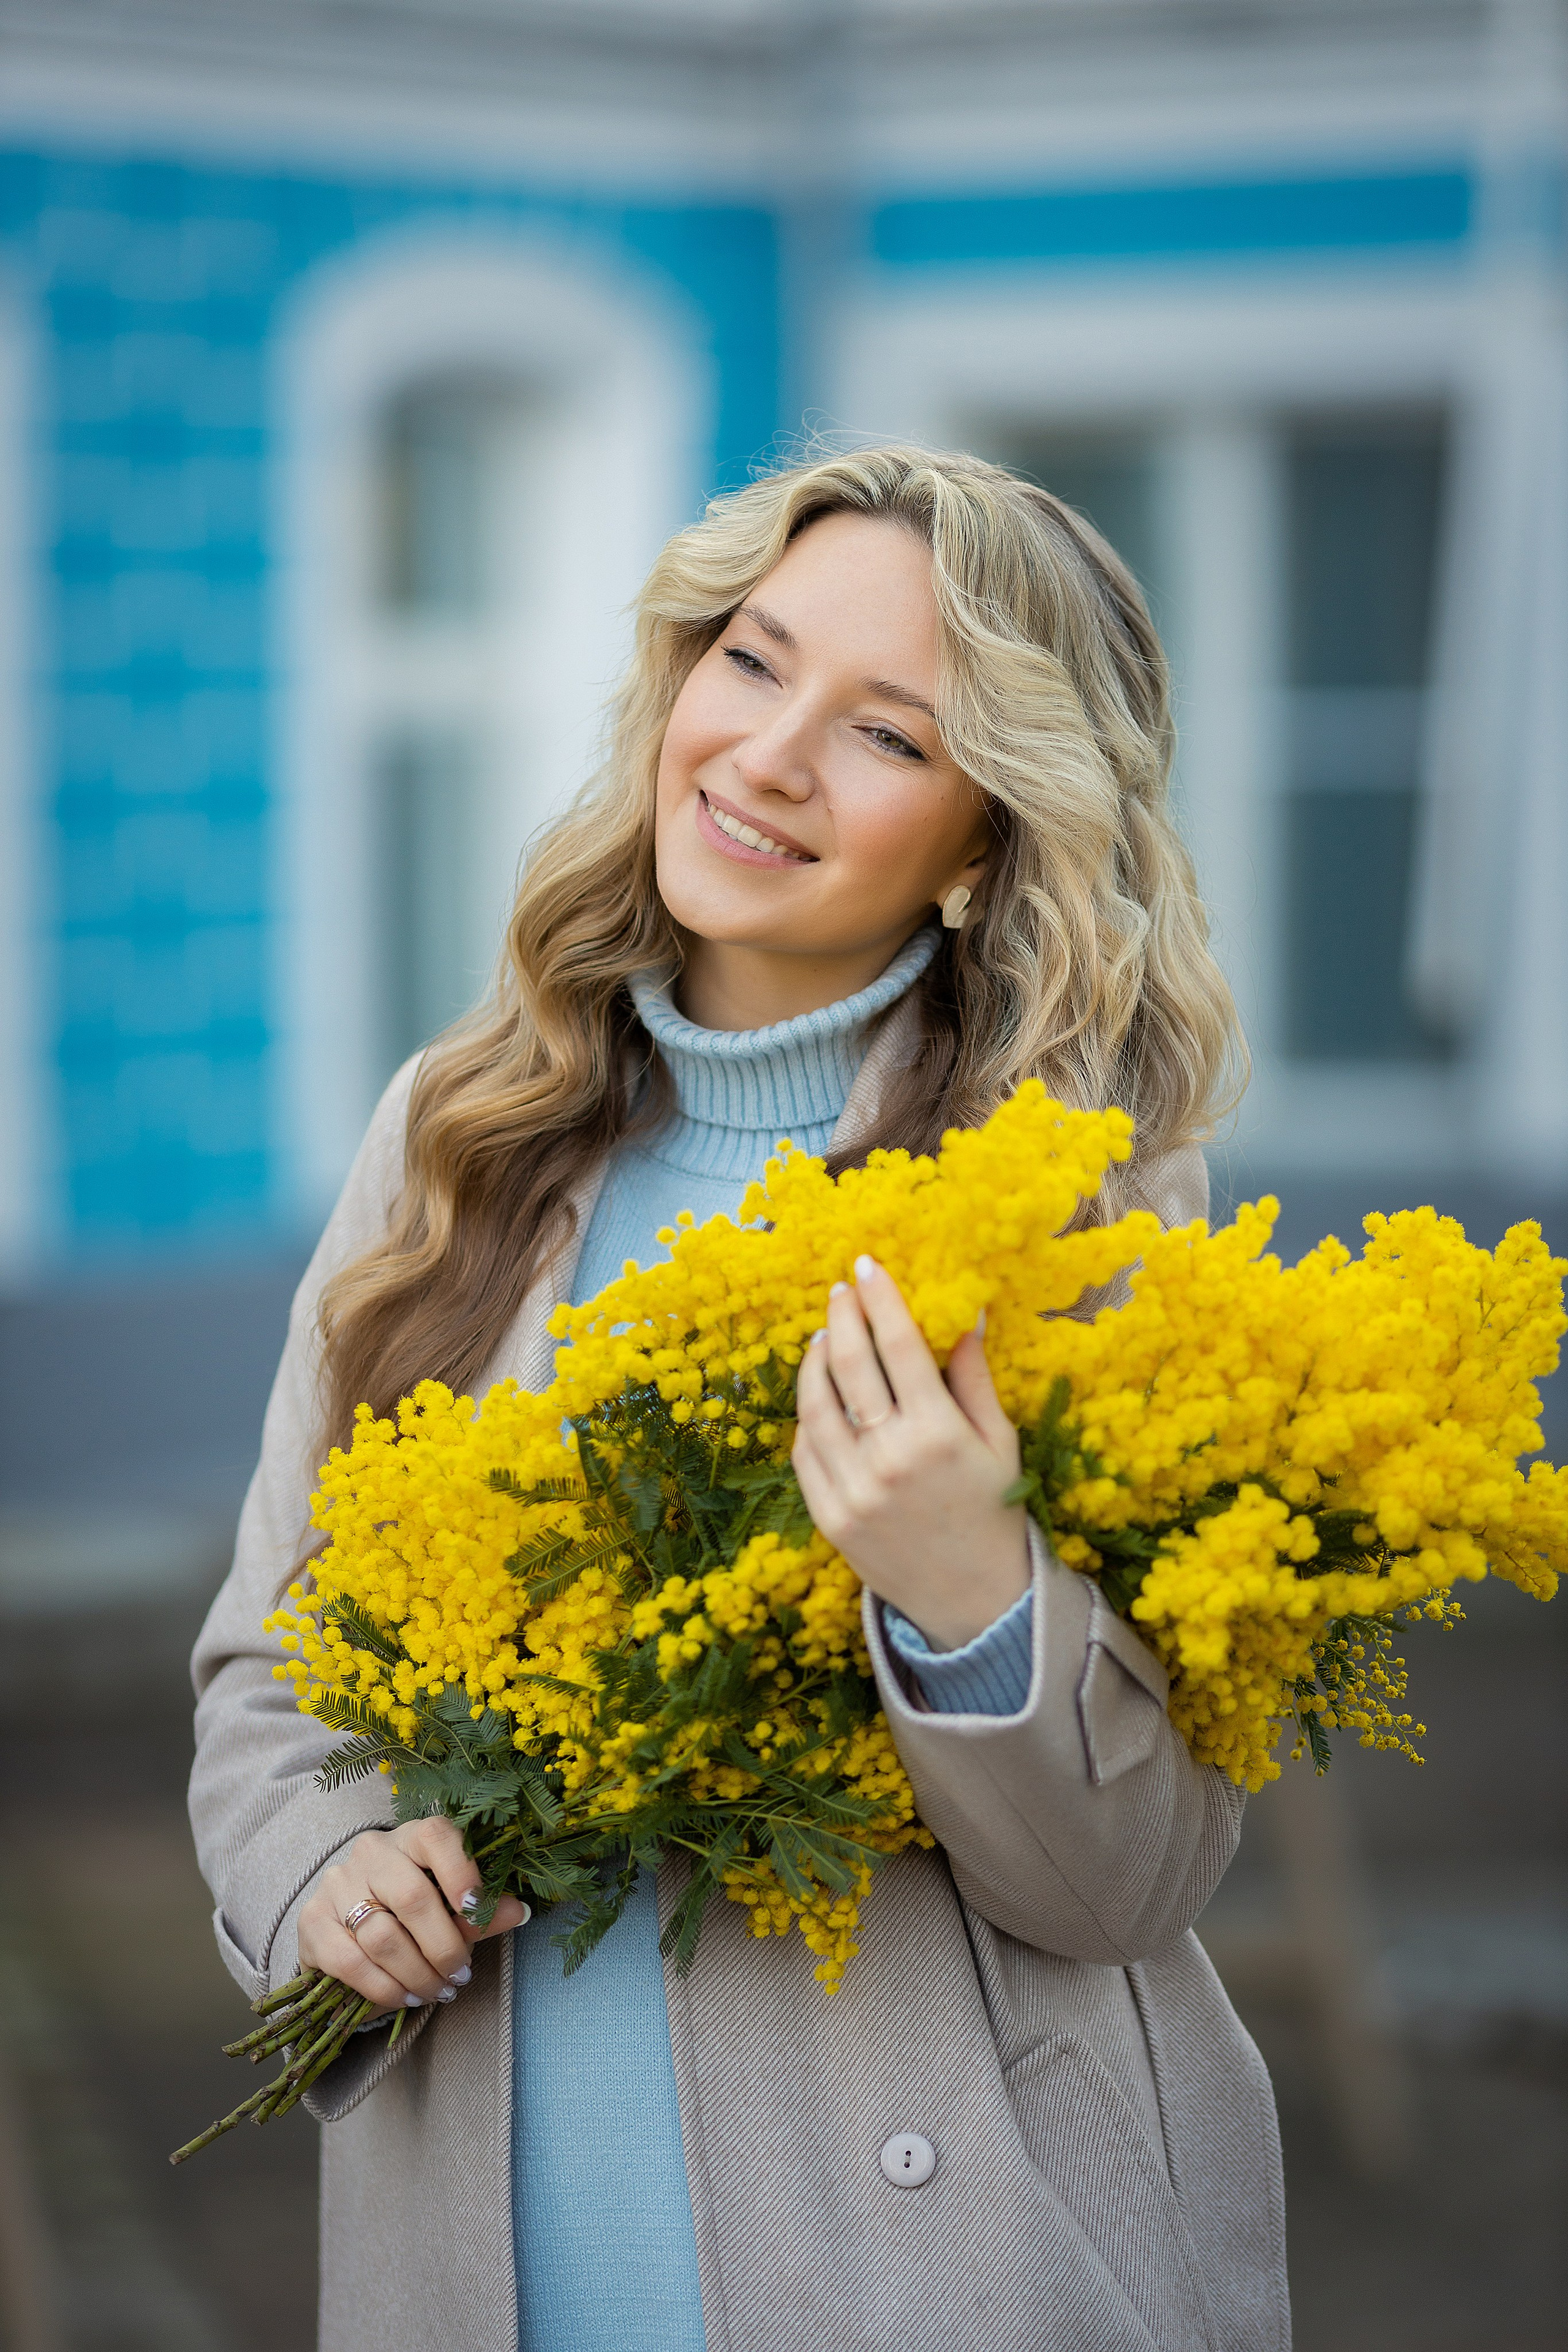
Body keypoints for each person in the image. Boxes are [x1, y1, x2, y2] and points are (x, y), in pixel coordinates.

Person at [189, 445, 1285, 2352]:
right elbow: (271, 1674)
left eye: (885, 734)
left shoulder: (1086, 1202)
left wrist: (966, 1587)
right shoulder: (457, 1134)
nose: (766, 755)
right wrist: (320, 1885)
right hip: (485, 2241)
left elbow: (1136, 1880)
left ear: (981, 842)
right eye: (753, 661)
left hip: (946, 2259)